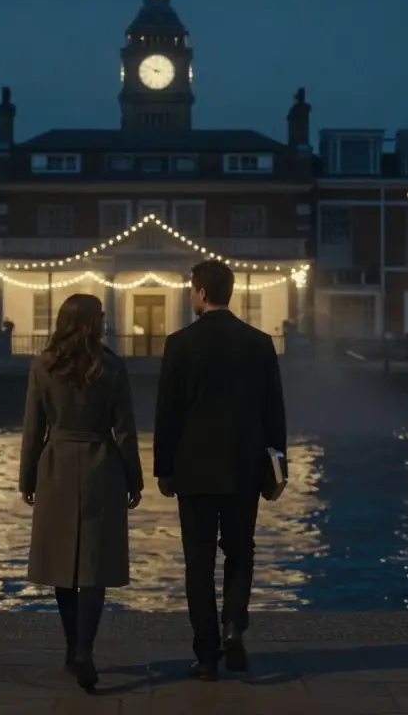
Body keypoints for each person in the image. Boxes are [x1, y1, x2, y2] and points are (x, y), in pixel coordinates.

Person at [153, 259, 287, 682]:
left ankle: (207, 655)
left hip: (193, 467)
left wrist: (163, 468)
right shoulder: (259, 343)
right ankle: (234, 623)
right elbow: (274, 413)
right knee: (240, 550)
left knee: (198, 561)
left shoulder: (179, 344)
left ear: (202, 293)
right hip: (244, 465)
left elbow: (167, 413)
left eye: (192, 290)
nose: (191, 296)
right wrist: (278, 467)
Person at [19, 293, 144, 692]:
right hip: (99, 465)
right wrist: (134, 478)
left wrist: (27, 478)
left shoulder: (43, 365)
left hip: (55, 464)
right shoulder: (112, 367)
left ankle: (72, 649)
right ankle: (86, 650)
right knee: (93, 564)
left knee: (62, 563)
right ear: (93, 322)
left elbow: (32, 429)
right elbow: (124, 430)